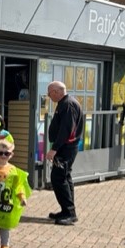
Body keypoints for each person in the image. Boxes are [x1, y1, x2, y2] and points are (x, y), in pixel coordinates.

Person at [45, 81, 84, 226]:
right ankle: (67, 209)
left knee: (58, 177)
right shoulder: (64, 103)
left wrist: (54, 149)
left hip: (66, 148)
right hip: (65, 147)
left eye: (49, 93)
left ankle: (70, 213)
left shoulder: (68, 104)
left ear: (56, 91)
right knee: (65, 176)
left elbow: (66, 130)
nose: (49, 96)